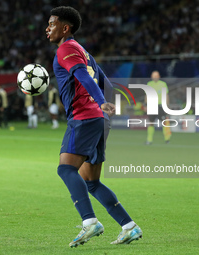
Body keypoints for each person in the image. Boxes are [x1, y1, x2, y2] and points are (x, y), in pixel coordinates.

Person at [46, 6, 142, 248]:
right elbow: (105, 82)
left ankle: (89, 222)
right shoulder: (84, 52)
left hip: (83, 118)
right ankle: (129, 226)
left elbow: (84, 77)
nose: (47, 28)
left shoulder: (66, 48)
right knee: (91, 181)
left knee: (66, 170)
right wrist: (103, 111)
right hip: (98, 120)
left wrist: (99, 103)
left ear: (65, 28)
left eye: (52, 23)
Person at [145, 71, 171, 144]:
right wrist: (146, 104)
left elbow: (166, 95)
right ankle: (149, 140)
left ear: (159, 76)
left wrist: (167, 106)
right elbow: (147, 95)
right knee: (151, 123)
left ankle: (167, 139)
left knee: (164, 122)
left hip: (160, 106)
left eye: (156, 75)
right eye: (154, 76)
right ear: (151, 77)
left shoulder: (163, 84)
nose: (155, 77)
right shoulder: (149, 84)